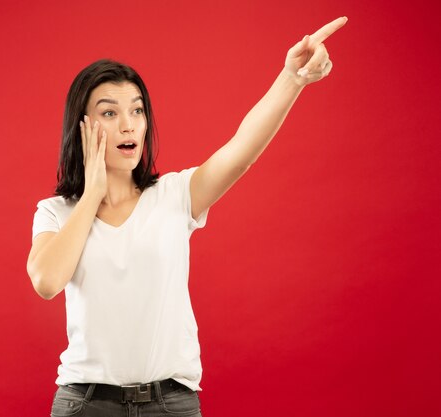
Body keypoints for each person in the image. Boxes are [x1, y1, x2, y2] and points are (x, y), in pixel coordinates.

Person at [27, 16, 348, 417]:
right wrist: (92, 193)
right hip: (86, 404)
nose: (129, 124)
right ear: (82, 126)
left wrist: (292, 78)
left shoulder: (175, 194)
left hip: (171, 403)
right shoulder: (56, 212)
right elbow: (46, 281)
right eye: (109, 113)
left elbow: (240, 152)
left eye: (137, 110)